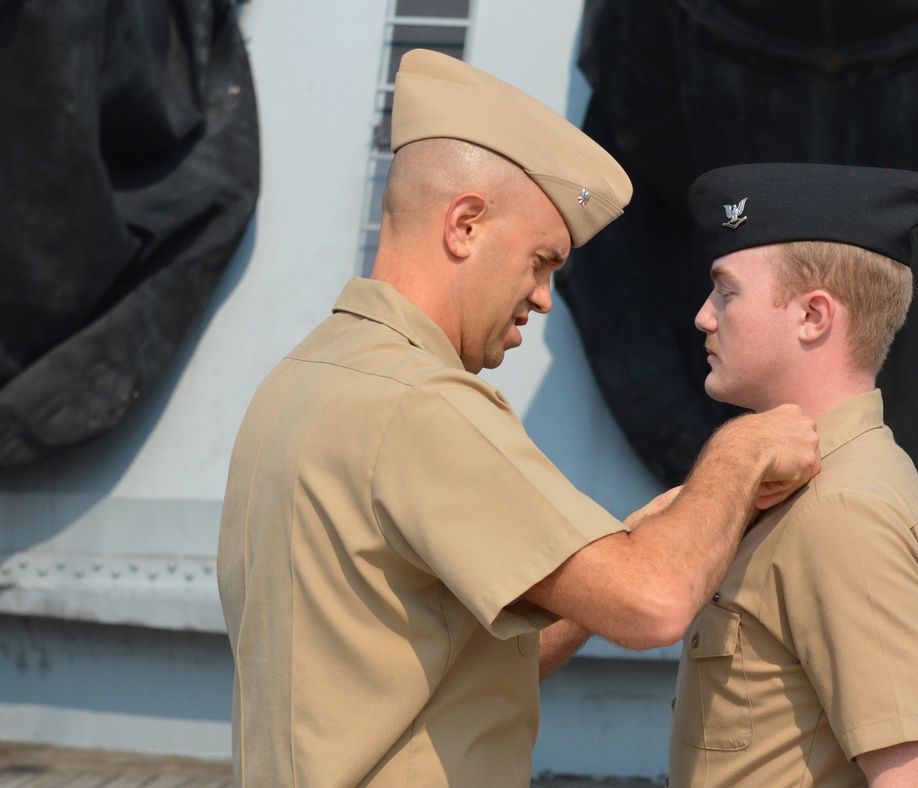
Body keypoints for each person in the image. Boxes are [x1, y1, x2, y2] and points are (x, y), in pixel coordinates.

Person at [216, 51, 820, 786]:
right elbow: (654, 606)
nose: (542, 297)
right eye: (540, 260)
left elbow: (472, 662)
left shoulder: (306, 379)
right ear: (465, 224)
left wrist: (649, 532)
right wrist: (739, 453)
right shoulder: (421, 404)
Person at [668, 162, 918, 787]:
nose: (703, 315)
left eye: (727, 290)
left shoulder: (841, 508)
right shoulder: (808, 487)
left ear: (813, 317)